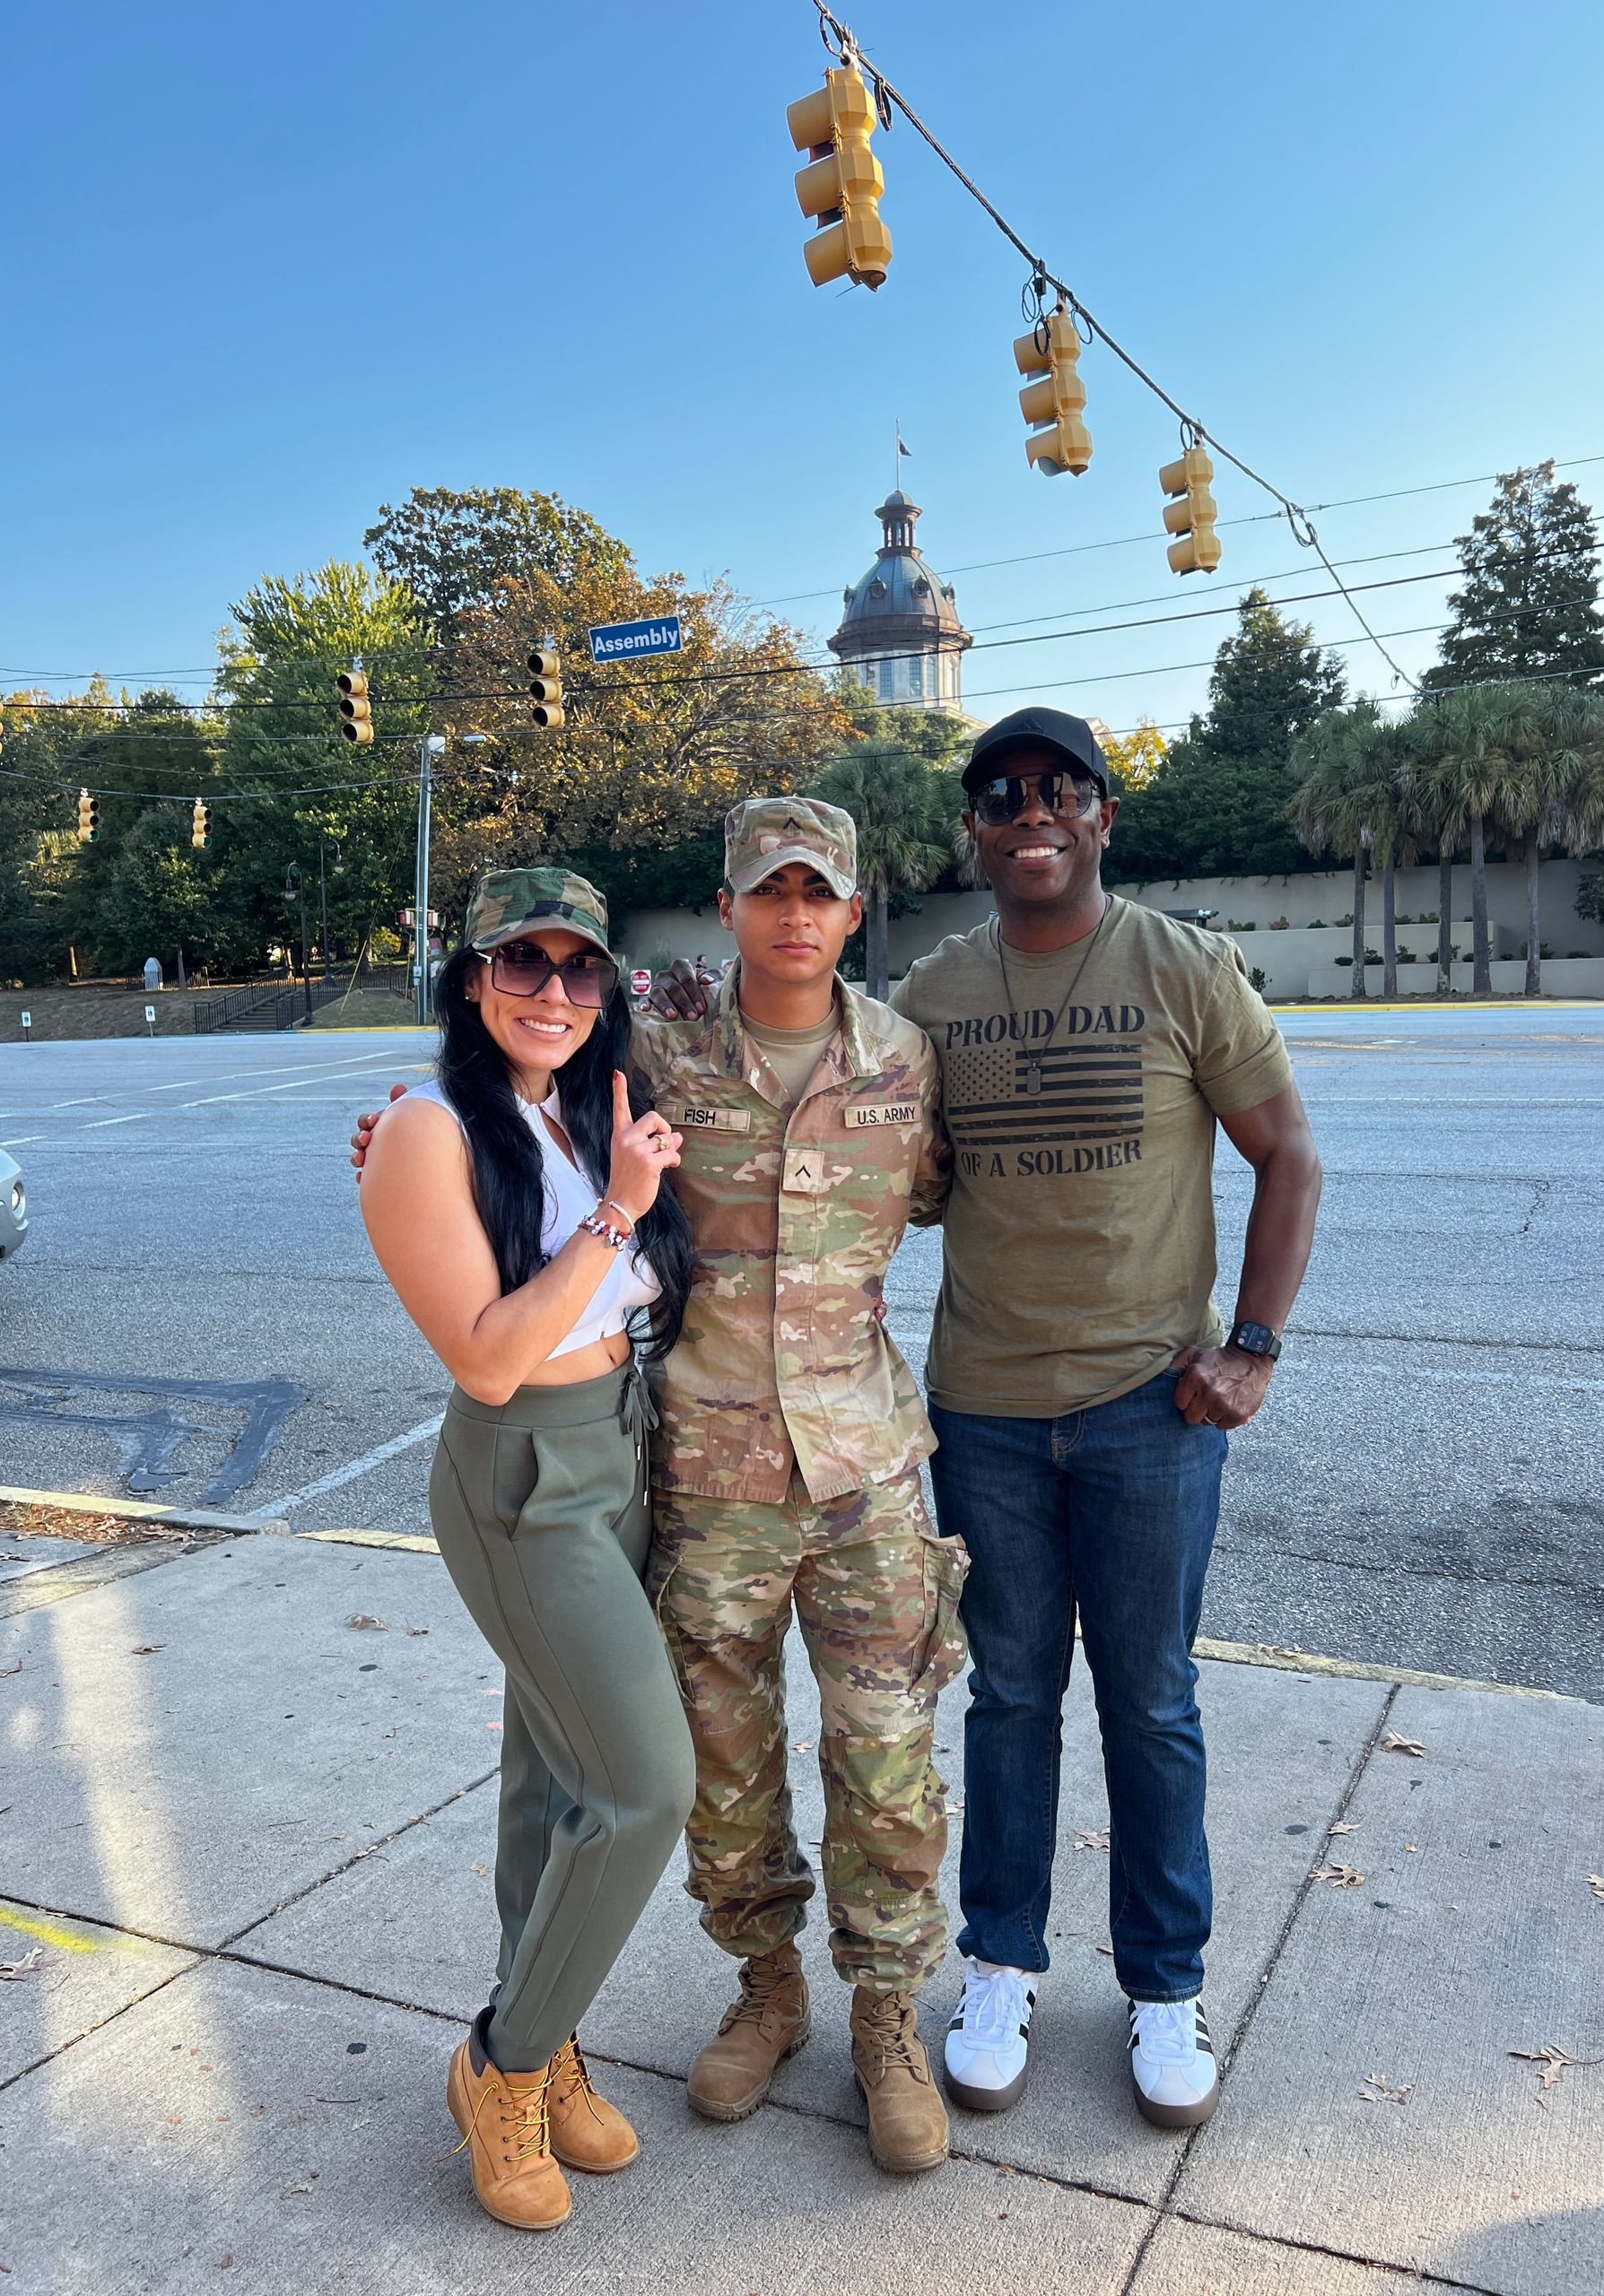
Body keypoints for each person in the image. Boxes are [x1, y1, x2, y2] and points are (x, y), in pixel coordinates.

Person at [653, 708, 1321, 2134]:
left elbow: (1290, 1158)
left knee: (1150, 1703)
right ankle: (991, 1970)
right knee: (1006, 1701)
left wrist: (1251, 1351)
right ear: (972, 830)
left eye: (1059, 790)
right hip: (982, 1416)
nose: (1032, 812)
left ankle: (1161, 1989)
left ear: (1100, 814)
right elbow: (549, 1092)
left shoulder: (1175, 969)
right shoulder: (918, 1009)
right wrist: (430, 1123)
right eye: (1003, 795)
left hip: (1149, 1410)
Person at [351, 804, 966, 2178]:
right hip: (695, 1473)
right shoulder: (660, 1058)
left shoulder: (905, 1062)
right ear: (729, 906)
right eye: (768, 891)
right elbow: (492, 1155)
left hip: (863, 1468)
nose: (794, 913)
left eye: (820, 891)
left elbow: (970, 1201)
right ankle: (767, 1992)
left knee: (885, 1758)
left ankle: (883, 2019)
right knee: (709, 1776)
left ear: (855, 910)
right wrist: (397, 1143)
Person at [357, 866, 697, 2232]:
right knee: (641, 1787)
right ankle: (499, 2067)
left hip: (619, 1452)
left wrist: (617, 1182)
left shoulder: (577, 1107)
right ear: (470, 978)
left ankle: (545, 2039)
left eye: (579, 970)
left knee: (552, 1786)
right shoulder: (428, 1130)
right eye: (523, 965)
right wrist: (618, 1207)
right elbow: (490, 1361)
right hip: (521, 1477)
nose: (553, 992)